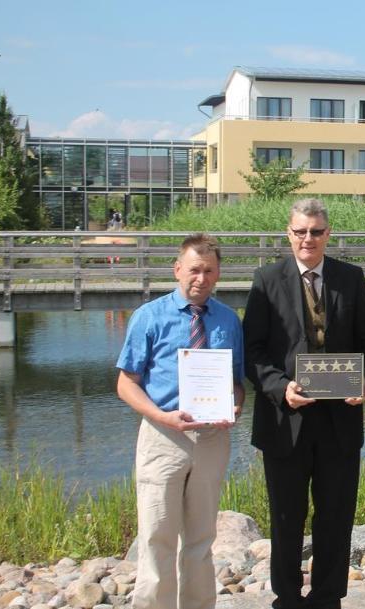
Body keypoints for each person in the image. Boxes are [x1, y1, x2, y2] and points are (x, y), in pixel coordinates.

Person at [243, 198, 365, 609]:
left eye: (316, 231)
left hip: (339, 421)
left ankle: (327, 597)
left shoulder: (350, 278)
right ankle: (286, 597)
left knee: (335, 517)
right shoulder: (266, 280)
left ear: (327, 234)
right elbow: (253, 350)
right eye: (301, 231)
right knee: (285, 517)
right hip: (286, 420)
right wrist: (280, 387)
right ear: (289, 233)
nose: (308, 239)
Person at [115, 233, 245, 609]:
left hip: (211, 439)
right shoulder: (148, 317)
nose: (200, 279)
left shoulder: (228, 320)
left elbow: (237, 383)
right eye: (193, 270)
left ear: (218, 274)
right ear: (177, 270)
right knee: (157, 535)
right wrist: (162, 417)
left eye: (208, 271)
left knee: (202, 538)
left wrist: (234, 406)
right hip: (163, 436)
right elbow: (126, 383)